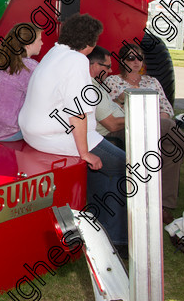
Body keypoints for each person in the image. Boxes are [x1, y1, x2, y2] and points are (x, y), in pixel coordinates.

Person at [18, 14, 128, 251]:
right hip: (53, 135)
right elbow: (78, 112)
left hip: (35, 130)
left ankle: (101, 228)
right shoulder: (77, 60)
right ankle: (116, 240)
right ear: (89, 43)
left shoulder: (55, 53)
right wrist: (85, 153)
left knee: (108, 163)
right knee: (122, 166)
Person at [93, 45, 184, 223]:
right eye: (131, 58)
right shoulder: (112, 82)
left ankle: (163, 206)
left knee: (172, 145)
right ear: (123, 61)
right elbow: (109, 112)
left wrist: (157, 124)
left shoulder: (152, 81)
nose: (136, 62)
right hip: (125, 129)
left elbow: (165, 108)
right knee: (167, 130)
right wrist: (122, 101)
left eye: (139, 58)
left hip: (155, 128)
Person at [0, 23, 43, 141]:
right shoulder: (29, 67)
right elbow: (42, 100)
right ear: (28, 45)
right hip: (6, 133)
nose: (42, 43)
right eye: (39, 40)